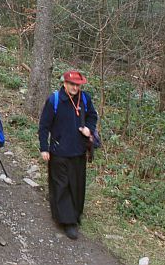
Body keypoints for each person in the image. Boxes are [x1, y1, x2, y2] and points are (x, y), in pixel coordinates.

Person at [38, 70, 98, 240]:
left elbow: (93, 116)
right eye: (72, 84)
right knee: (61, 186)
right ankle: (67, 221)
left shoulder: (85, 98)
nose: (75, 87)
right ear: (65, 83)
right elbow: (44, 126)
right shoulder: (54, 100)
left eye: (78, 85)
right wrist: (44, 148)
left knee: (77, 185)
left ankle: (75, 214)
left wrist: (89, 129)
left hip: (78, 151)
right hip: (59, 152)